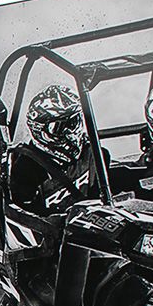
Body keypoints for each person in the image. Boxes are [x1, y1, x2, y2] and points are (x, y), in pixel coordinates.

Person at [6, 84, 92, 215]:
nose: (70, 133)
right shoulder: (26, 171)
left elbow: (112, 180)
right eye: (59, 127)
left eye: (74, 123)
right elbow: (26, 221)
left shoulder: (90, 153)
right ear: (40, 130)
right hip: (57, 232)